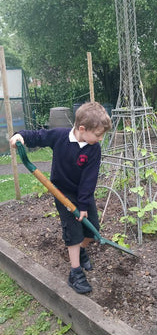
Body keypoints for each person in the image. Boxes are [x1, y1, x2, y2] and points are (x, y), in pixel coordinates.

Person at [10, 101, 112, 294]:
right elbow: (38, 136)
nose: (100, 138)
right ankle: (75, 273)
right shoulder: (59, 136)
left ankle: (81, 250)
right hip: (62, 193)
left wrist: (83, 206)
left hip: (83, 194)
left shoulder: (93, 149)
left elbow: (89, 180)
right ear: (82, 129)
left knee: (92, 232)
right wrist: (19, 136)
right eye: (98, 134)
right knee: (73, 232)